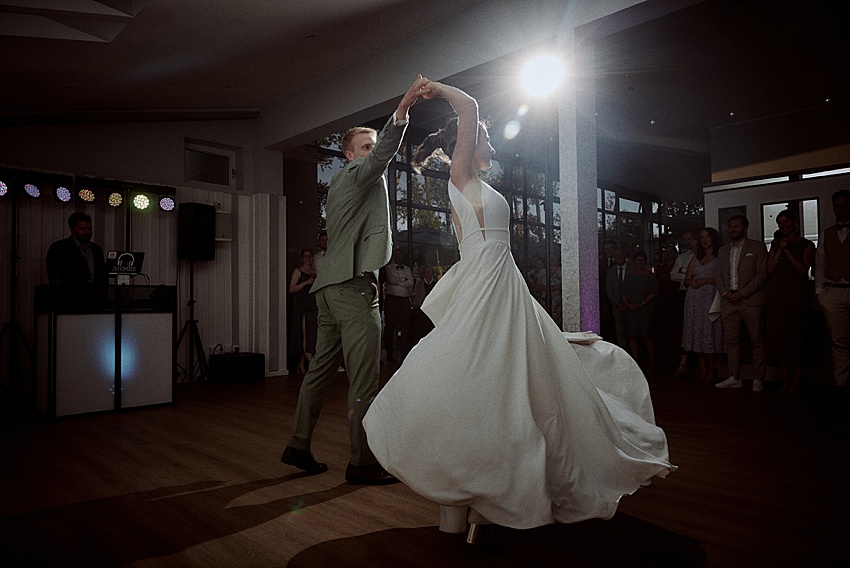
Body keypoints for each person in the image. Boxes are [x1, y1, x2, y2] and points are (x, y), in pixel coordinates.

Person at [363, 81, 673, 539]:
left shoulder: (474, 185)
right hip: (487, 283)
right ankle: (475, 496)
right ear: (463, 147)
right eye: (484, 137)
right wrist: (429, 90)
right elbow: (467, 106)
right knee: (485, 376)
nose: (488, 142)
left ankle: (478, 500)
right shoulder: (461, 178)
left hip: (500, 281)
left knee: (503, 380)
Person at [280, 75, 430, 485]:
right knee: (364, 377)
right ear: (349, 155)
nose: (371, 153)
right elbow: (383, 152)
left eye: (370, 147)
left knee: (320, 372)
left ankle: (298, 445)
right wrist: (402, 109)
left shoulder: (341, 184)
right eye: (364, 147)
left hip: (328, 288)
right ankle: (362, 463)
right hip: (352, 287)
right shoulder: (358, 173)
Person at [715, 214, 768, 391]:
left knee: (757, 339)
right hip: (728, 301)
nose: (732, 230)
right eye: (730, 226)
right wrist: (724, 293)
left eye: (736, 226)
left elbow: (761, 274)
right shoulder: (723, 250)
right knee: (731, 341)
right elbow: (719, 275)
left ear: (745, 228)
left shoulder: (757, 247)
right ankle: (734, 377)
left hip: (751, 301)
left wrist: (743, 293)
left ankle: (758, 378)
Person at [767, 210, 815, 396]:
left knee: (796, 340)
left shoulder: (807, 245)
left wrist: (787, 250)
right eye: (779, 223)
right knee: (780, 341)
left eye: (786, 221)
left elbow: (803, 270)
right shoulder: (776, 244)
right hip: (778, 296)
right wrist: (780, 249)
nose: (783, 225)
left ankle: (796, 382)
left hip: (796, 297)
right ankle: (785, 381)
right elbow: (770, 269)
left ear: (794, 222)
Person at [815, 189, 850, 389]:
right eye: (838, 205)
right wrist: (820, 292)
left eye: (845, 204)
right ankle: (841, 383)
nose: (841, 208)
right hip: (833, 291)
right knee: (838, 340)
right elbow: (820, 263)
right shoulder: (826, 233)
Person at [681, 228, 724, 382]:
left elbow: (723, 279)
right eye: (702, 237)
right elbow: (686, 281)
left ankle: (712, 369)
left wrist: (705, 281)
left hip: (710, 299)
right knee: (696, 332)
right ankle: (703, 368)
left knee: (708, 333)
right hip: (694, 300)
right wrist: (691, 282)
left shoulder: (719, 257)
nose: (704, 240)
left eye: (707, 237)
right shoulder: (695, 258)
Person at [46, 211, 107, 306]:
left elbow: (102, 276)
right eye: (82, 229)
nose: (87, 232)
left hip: (95, 303)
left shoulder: (96, 249)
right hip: (70, 304)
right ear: (72, 229)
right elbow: (55, 277)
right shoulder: (59, 248)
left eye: (89, 228)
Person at [622, 250, 658, 370]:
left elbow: (653, 293)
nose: (639, 262)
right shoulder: (629, 277)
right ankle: (636, 361)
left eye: (642, 260)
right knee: (632, 336)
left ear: (645, 261)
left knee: (646, 336)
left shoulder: (650, 276)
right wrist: (628, 305)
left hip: (645, 311)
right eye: (637, 260)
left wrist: (642, 304)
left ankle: (652, 361)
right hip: (631, 311)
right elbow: (623, 293)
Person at [670, 231, 697, 377]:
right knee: (684, 330)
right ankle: (683, 365)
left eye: (690, 238)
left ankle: (701, 366)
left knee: (699, 329)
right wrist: (687, 276)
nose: (688, 242)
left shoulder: (705, 257)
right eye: (685, 239)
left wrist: (684, 273)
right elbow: (672, 275)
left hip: (701, 295)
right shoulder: (682, 257)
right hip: (683, 294)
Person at [288, 248, 318, 375]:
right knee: (305, 334)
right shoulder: (298, 271)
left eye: (310, 256)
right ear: (301, 258)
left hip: (312, 305)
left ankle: (301, 364)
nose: (308, 258)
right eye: (305, 256)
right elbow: (292, 289)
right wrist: (306, 282)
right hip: (302, 305)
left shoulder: (314, 272)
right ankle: (312, 365)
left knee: (310, 335)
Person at [383, 246, 414, 362]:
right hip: (392, 300)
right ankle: (389, 352)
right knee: (390, 327)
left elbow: (411, 282)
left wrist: (399, 282)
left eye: (400, 255)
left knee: (405, 327)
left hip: (404, 301)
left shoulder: (407, 269)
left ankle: (404, 352)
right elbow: (391, 280)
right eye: (396, 255)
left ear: (403, 257)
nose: (398, 257)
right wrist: (403, 280)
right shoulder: (388, 268)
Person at [605, 247, 630, 348]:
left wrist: (628, 303)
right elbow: (608, 290)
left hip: (631, 307)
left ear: (625, 255)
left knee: (631, 332)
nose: (619, 257)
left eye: (621, 255)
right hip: (616, 307)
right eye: (617, 255)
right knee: (620, 332)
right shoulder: (610, 271)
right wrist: (616, 304)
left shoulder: (632, 269)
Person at [411, 265, 437, 346]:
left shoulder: (436, 283)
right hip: (421, 310)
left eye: (429, 271)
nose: (428, 273)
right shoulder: (419, 284)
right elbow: (417, 296)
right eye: (426, 271)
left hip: (432, 310)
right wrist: (422, 305)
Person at [599, 239, 617, 342]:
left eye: (611, 248)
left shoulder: (621, 262)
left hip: (618, 298)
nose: (609, 251)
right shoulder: (601, 264)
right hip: (604, 299)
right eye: (607, 249)